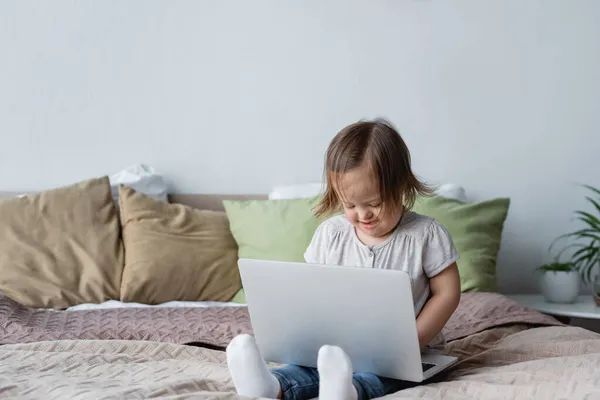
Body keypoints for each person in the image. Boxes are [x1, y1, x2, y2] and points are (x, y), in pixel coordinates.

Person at [226, 118, 461, 400]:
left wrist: (412, 341)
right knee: (307, 367)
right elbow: (311, 290)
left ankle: (346, 392)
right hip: (334, 349)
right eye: (350, 205)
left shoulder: (426, 234)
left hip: (403, 355)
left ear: (401, 185)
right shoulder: (331, 234)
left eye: (374, 203)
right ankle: (269, 386)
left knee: (380, 376)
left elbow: (447, 292)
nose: (363, 215)